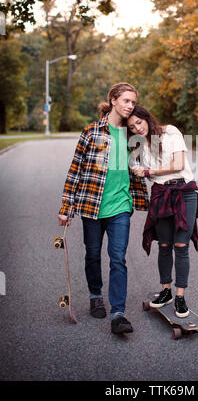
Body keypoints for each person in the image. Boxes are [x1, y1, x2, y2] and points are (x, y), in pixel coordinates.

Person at [58, 83, 149, 334]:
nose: (130, 105)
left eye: (133, 102)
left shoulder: (134, 136)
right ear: (113, 100)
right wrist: (67, 206)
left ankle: (118, 313)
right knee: (93, 254)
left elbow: (141, 169)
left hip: (121, 206)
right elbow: (75, 170)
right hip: (92, 205)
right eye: (126, 100)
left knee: (118, 258)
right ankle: (95, 295)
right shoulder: (91, 132)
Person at [127, 105, 198, 318]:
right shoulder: (139, 147)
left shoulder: (170, 132)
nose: (137, 128)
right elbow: (140, 171)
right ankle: (166, 291)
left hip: (184, 192)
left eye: (139, 122)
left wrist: (149, 171)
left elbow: (178, 164)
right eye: (132, 127)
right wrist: (137, 170)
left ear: (147, 118)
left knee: (181, 245)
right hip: (160, 194)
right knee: (164, 245)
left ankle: (180, 297)